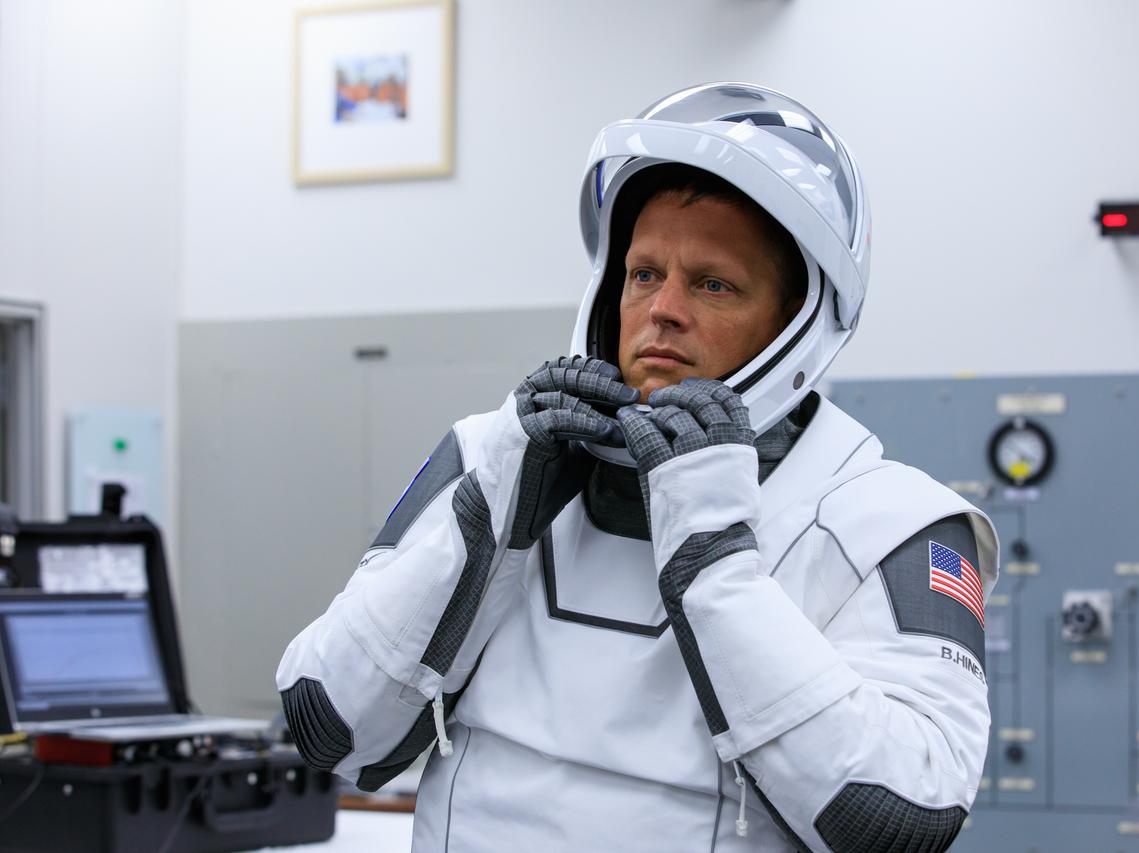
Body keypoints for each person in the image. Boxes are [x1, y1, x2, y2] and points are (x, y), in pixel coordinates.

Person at [277, 83, 999, 852]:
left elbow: (899, 820)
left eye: (713, 284)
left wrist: (714, 565)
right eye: (644, 273)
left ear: (799, 323)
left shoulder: (889, 522)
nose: (663, 309)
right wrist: (484, 529)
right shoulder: (496, 454)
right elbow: (328, 727)